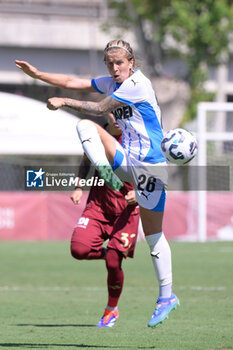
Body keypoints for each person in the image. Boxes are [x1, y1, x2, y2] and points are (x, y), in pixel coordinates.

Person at [15, 40, 179, 328]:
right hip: (127, 161)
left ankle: (167, 296)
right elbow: (71, 80)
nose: (115, 68)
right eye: (110, 64)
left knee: (154, 239)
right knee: (85, 127)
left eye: (120, 63)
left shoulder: (137, 84)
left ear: (131, 62)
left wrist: (64, 101)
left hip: (151, 170)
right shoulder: (113, 82)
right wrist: (39, 75)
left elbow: (100, 106)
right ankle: (106, 171)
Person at [70, 114, 139, 327]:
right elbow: (85, 161)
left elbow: (154, 174)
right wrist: (79, 186)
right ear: (105, 113)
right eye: (113, 112)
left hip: (126, 211)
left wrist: (139, 193)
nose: (117, 118)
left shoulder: (138, 141)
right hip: (98, 208)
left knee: (113, 263)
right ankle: (108, 253)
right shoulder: (95, 136)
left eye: (122, 113)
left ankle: (111, 310)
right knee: (78, 250)